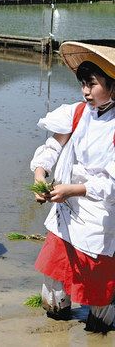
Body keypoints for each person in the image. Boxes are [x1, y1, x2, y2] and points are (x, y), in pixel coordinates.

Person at [29, 41, 115, 333]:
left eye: (92, 85)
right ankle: (55, 327)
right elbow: (53, 144)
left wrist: (72, 190)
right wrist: (41, 173)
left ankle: (100, 327)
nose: (85, 91)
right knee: (54, 281)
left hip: (100, 214)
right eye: (83, 84)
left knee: (98, 288)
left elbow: (111, 184)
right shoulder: (80, 113)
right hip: (66, 208)